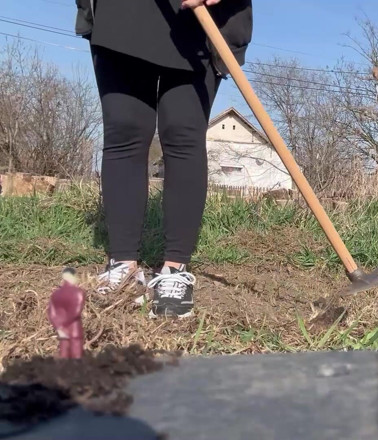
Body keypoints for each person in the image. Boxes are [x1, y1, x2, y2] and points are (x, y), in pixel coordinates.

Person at [74, 0, 252, 318]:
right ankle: (123, 264)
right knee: (124, 130)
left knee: (183, 132)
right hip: (125, 9)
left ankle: (174, 270)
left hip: (198, 14)